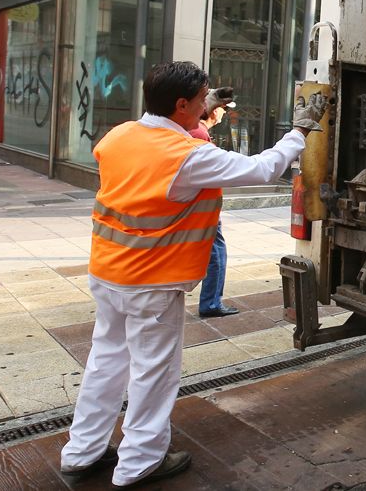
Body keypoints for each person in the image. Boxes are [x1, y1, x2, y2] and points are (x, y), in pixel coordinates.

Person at [59, 62, 326, 487]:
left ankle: (81, 451)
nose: (208, 105)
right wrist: (300, 131)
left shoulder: (120, 136)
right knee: (153, 371)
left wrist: (199, 115)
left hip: (108, 271)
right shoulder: (186, 157)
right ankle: (139, 463)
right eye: (201, 100)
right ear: (181, 105)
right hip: (152, 280)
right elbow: (261, 170)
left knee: (105, 362)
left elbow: (159, 150)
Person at [189, 105, 236, 318]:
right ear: (214, 111)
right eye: (223, 109)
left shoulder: (195, 130)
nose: (225, 113)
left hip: (200, 207)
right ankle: (211, 303)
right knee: (216, 254)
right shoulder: (199, 133)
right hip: (205, 209)